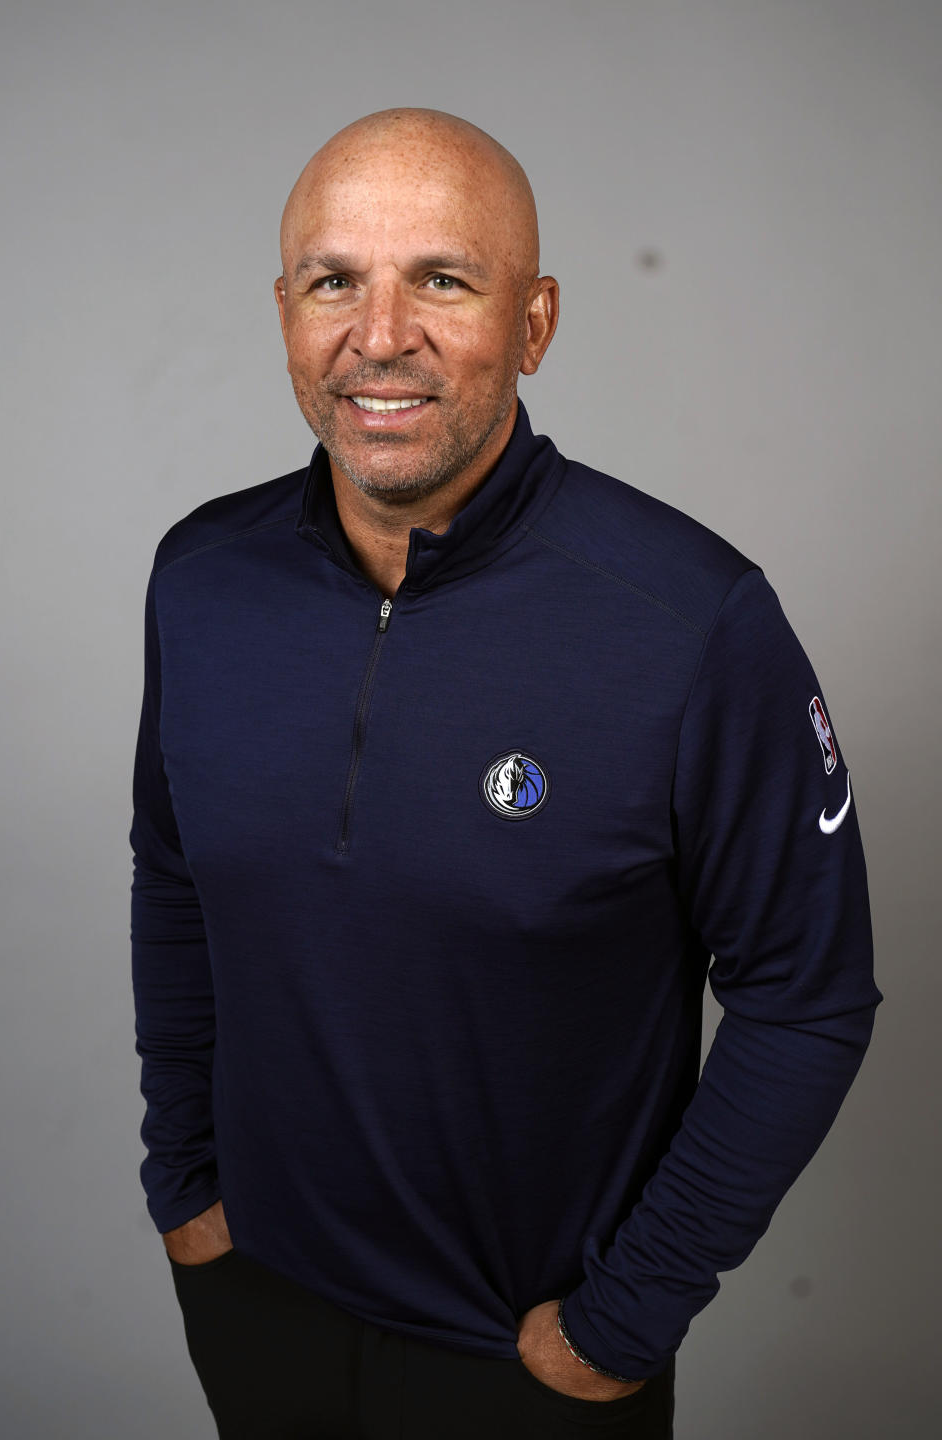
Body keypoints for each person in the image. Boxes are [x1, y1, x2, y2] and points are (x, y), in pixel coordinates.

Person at [129, 108, 882, 1440]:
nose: (380, 334)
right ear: (285, 312)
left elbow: (807, 995)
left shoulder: (692, 621)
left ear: (534, 324)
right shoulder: (201, 581)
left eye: (442, 279)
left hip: (529, 1359)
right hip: (258, 1309)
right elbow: (174, 875)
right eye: (334, 281)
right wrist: (185, 1184)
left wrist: (622, 1321)